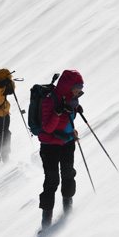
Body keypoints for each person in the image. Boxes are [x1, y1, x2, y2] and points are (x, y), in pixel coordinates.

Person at [39, 69, 84, 227]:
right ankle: (46, 222)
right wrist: (58, 113)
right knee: (52, 181)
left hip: (67, 143)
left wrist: (76, 110)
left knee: (68, 174)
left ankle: (68, 212)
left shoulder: (72, 100)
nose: (80, 92)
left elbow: (68, 123)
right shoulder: (49, 100)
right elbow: (48, 129)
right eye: (77, 88)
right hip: (50, 146)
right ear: (69, 86)